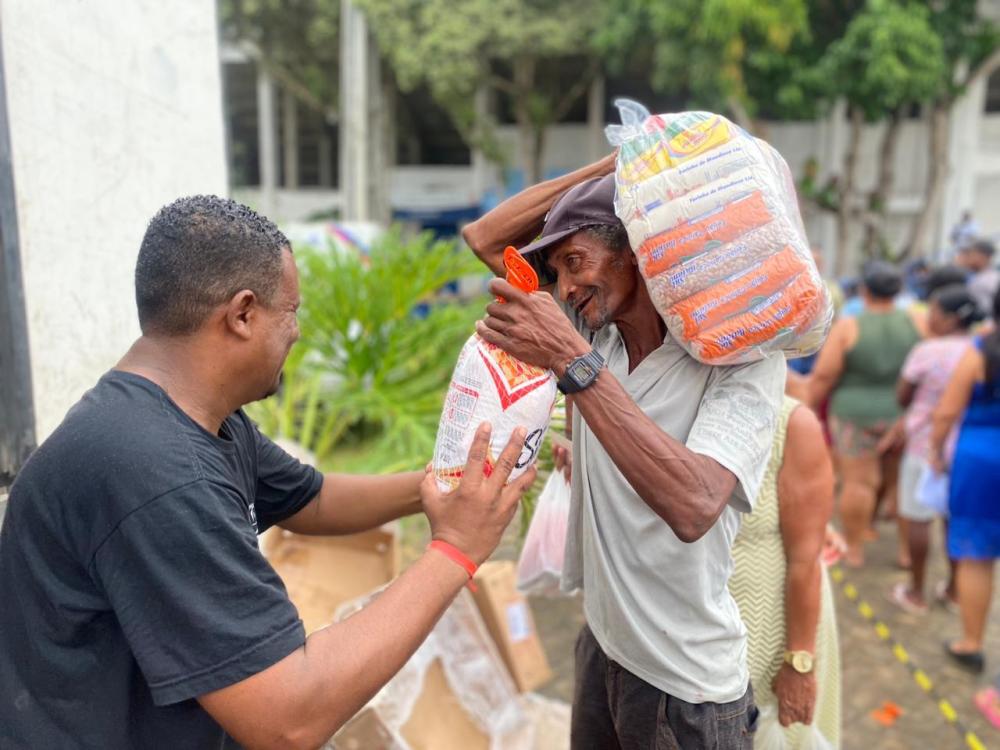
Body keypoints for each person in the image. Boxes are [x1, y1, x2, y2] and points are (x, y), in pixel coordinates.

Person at [0, 196, 536, 749]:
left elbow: (313, 500)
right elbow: (288, 718)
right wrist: (454, 550)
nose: (298, 331)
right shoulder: (156, 472)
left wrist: (449, 483)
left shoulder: (204, 419)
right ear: (242, 314)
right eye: (292, 311)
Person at [463, 162, 786, 749]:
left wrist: (570, 360)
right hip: (604, 647)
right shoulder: (597, 332)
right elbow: (486, 239)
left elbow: (694, 504)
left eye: (576, 263)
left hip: (685, 688)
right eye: (555, 272)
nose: (563, 288)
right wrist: (623, 167)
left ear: (639, 250)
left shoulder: (741, 361)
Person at [729, 394, 840, 748]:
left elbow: (805, 560)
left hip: (768, 628)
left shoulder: (790, 423)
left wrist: (799, 662)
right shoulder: (665, 397)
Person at [809, 262, 921, 568]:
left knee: (859, 484)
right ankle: (905, 552)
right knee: (899, 485)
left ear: (864, 291)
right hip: (901, 415)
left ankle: (855, 550)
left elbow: (824, 376)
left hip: (853, 415)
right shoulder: (916, 322)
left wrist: (807, 405)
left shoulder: (849, 327)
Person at [890, 285, 980, 615]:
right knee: (952, 517)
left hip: (924, 443)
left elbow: (903, 397)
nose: (929, 318)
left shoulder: (927, 351)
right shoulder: (980, 348)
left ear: (950, 318)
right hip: (965, 445)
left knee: (918, 516)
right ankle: (955, 589)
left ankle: (916, 591)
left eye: (934, 312)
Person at [931, 287, 1000, 674]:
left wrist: (936, 451)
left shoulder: (979, 351)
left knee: (977, 556)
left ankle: (971, 643)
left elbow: (946, 413)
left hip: (981, 461)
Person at [957, 240, 1000, 318]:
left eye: (972, 254)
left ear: (982, 256)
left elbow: (989, 313)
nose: (968, 258)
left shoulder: (991, 280)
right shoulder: (975, 277)